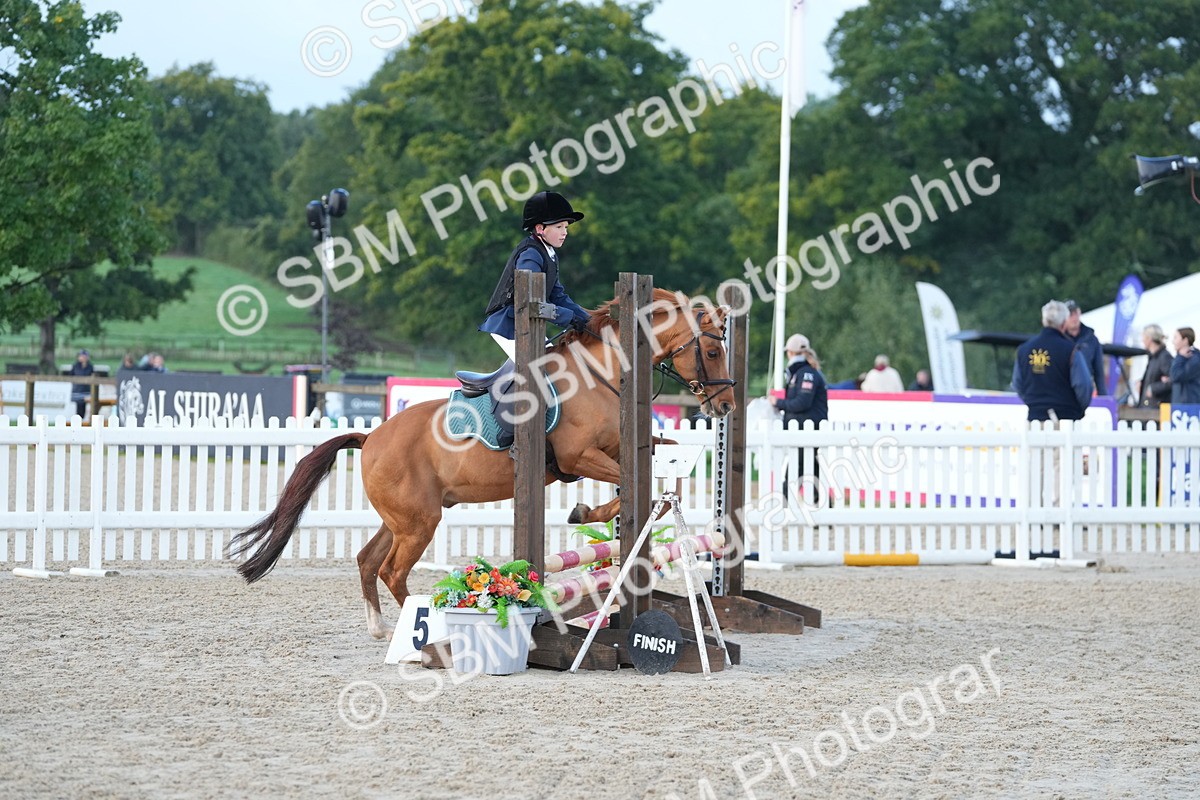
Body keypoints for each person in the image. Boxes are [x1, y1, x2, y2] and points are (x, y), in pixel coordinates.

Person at [479, 191, 591, 360]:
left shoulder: (549, 253)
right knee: (542, 369)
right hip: (509, 324)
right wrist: (570, 317)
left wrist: (588, 320)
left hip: (527, 322)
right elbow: (531, 302)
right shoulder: (530, 254)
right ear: (540, 229)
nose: (565, 232)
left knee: (554, 365)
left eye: (566, 227)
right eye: (559, 227)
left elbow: (558, 296)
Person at [769, 333, 828, 503]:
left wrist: (778, 402)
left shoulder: (806, 374)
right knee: (811, 468)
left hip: (807, 430)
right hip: (804, 429)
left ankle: (784, 502)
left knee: (796, 466)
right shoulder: (802, 373)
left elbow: (802, 402)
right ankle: (826, 506)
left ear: (790, 353)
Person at [1013, 300, 1093, 423]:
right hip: (1067, 418)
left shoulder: (1024, 350)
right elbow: (1084, 386)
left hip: (1034, 417)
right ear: (1064, 323)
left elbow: (1017, 384)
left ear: (1043, 320)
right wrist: (1077, 409)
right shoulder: (1071, 350)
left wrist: (1034, 404)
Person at [1064, 299, 1106, 396]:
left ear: (1080, 313)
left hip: (1085, 390)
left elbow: (1099, 371)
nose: (1074, 318)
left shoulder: (1091, 339)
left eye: (1076, 313)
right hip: (1063, 390)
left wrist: (1103, 396)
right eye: (1070, 314)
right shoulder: (1058, 338)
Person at [1137, 324, 1173, 408]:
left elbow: (1172, 380)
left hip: (1156, 409)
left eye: (1143, 337)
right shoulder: (1152, 358)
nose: (1142, 340)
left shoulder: (1164, 357)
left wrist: (1152, 389)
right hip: (1148, 407)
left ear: (1149, 339)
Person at [1168, 326, 1200, 405]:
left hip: (1190, 407)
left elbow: (1176, 376)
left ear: (1185, 340)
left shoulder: (1195, 358)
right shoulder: (1182, 358)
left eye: (1176, 338)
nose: (1173, 341)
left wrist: (1180, 357)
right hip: (1180, 406)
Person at [68, 349, 94, 419]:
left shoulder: (90, 366)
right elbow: (71, 376)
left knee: (83, 407)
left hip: (85, 390)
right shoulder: (76, 366)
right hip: (77, 390)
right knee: (79, 407)